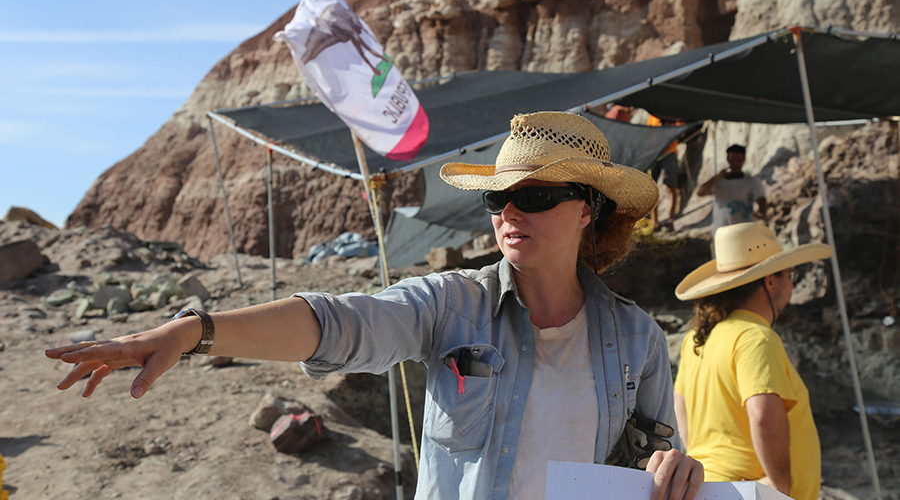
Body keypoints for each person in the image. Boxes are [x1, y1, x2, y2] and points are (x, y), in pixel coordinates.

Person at [47, 111, 703, 500]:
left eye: (532, 198)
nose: (508, 213)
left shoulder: (636, 338)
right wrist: (198, 330)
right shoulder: (452, 305)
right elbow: (339, 323)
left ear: (587, 209)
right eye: (496, 199)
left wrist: (675, 473)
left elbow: (643, 468)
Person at [673, 222, 833, 500]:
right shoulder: (756, 337)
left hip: (707, 487)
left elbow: (680, 406)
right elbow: (762, 413)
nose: (792, 284)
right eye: (789, 275)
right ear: (770, 281)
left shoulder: (698, 339)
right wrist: (778, 485)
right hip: (748, 491)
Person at [697, 144, 767, 244]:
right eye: (732, 160)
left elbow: (761, 198)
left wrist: (762, 211)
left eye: (738, 160)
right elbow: (700, 193)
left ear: (743, 160)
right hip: (722, 234)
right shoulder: (719, 181)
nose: (735, 164)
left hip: (746, 232)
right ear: (728, 160)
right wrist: (716, 178)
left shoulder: (751, 181)